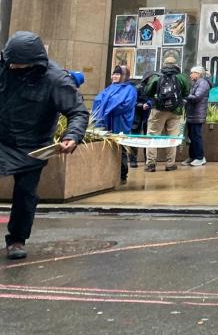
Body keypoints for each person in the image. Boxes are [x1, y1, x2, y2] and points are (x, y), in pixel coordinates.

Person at [0, 32, 89, 260]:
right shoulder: (5, 65)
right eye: (11, 63)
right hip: (2, 137)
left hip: (33, 143)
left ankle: (17, 240)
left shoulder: (55, 79)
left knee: (25, 192)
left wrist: (72, 136)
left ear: (34, 62)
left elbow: (77, 111)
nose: (14, 67)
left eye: (19, 64)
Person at [143, 56, 190, 172]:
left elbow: (147, 92)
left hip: (158, 110)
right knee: (172, 137)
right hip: (175, 111)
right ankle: (170, 164)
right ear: (176, 64)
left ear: (164, 64)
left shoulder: (157, 77)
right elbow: (187, 92)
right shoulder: (181, 77)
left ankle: (151, 164)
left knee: (153, 137)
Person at [92, 65, 137, 183]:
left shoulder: (130, 89)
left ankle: (122, 175)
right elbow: (98, 100)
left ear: (124, 76)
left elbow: (126, 105)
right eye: (114, 74)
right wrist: (109, 106)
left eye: (118, 74)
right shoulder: (110, 88)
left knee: (120, 149)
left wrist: (109, 107)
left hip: (120, 123)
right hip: (107, 123)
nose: (114, 76)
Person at [184, 65, 211, 167]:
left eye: (192, 73)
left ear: (198, 74)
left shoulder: (203, 83)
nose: (190, 75)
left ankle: (200, 157)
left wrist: (185, 96)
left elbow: (197, 97)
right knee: (191, 137)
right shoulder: (196, 83)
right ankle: (192, 157)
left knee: (196, 137)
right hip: (192, 114)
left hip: (197, 115)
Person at [127, 72, 154, 168]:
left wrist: (149, 103)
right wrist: (142, 105)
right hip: (137, 116)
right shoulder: (137, 88)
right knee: (134, 137)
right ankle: (133, 160)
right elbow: (132, 102)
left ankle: (148, 159)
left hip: (148, 116)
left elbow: (154, 99)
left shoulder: (152, 89)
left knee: (148, 137)